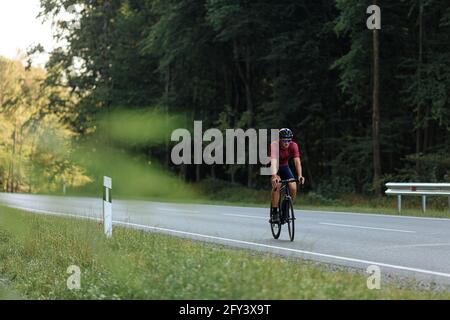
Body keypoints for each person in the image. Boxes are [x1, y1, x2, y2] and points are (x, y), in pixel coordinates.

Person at [269, 128, 305, 223]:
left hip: (285, 167)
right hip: (275, 166)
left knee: (293, 187)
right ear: (280, 139)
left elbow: (297, 161)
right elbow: (273, 161)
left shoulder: (294, 145)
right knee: (277, 184)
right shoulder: (274, 145)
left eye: (289, 140)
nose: (286, 143)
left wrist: (300, 175)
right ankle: (275, 211)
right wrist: (273, 176)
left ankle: (286, 208)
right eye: (284, 140)